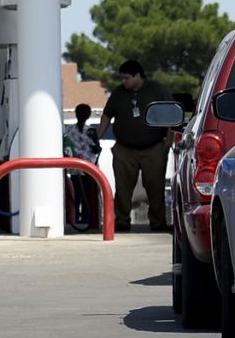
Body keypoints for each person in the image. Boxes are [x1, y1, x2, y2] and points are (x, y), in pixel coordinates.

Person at [101, 59, 169, 234]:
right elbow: (107, 116)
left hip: (153, 147)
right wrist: (97, 136)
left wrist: (168, 142)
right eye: (122, 78)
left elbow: (170, 114)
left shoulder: (157, 90)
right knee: (122, 187)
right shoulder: (118, 93)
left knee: (155, 186)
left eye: (126, 78)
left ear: (138, 76)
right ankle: (121, 220)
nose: (123, 82)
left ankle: (158, 221)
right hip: (125, 148)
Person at [64, 102, 101, 232]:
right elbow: (96, 149)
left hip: (74, 168)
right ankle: (86, 219)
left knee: (76, 196)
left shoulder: (68, 130)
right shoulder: (91, 131)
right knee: (89, 196)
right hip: (89, 169)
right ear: (89, 115)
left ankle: (74, 219)